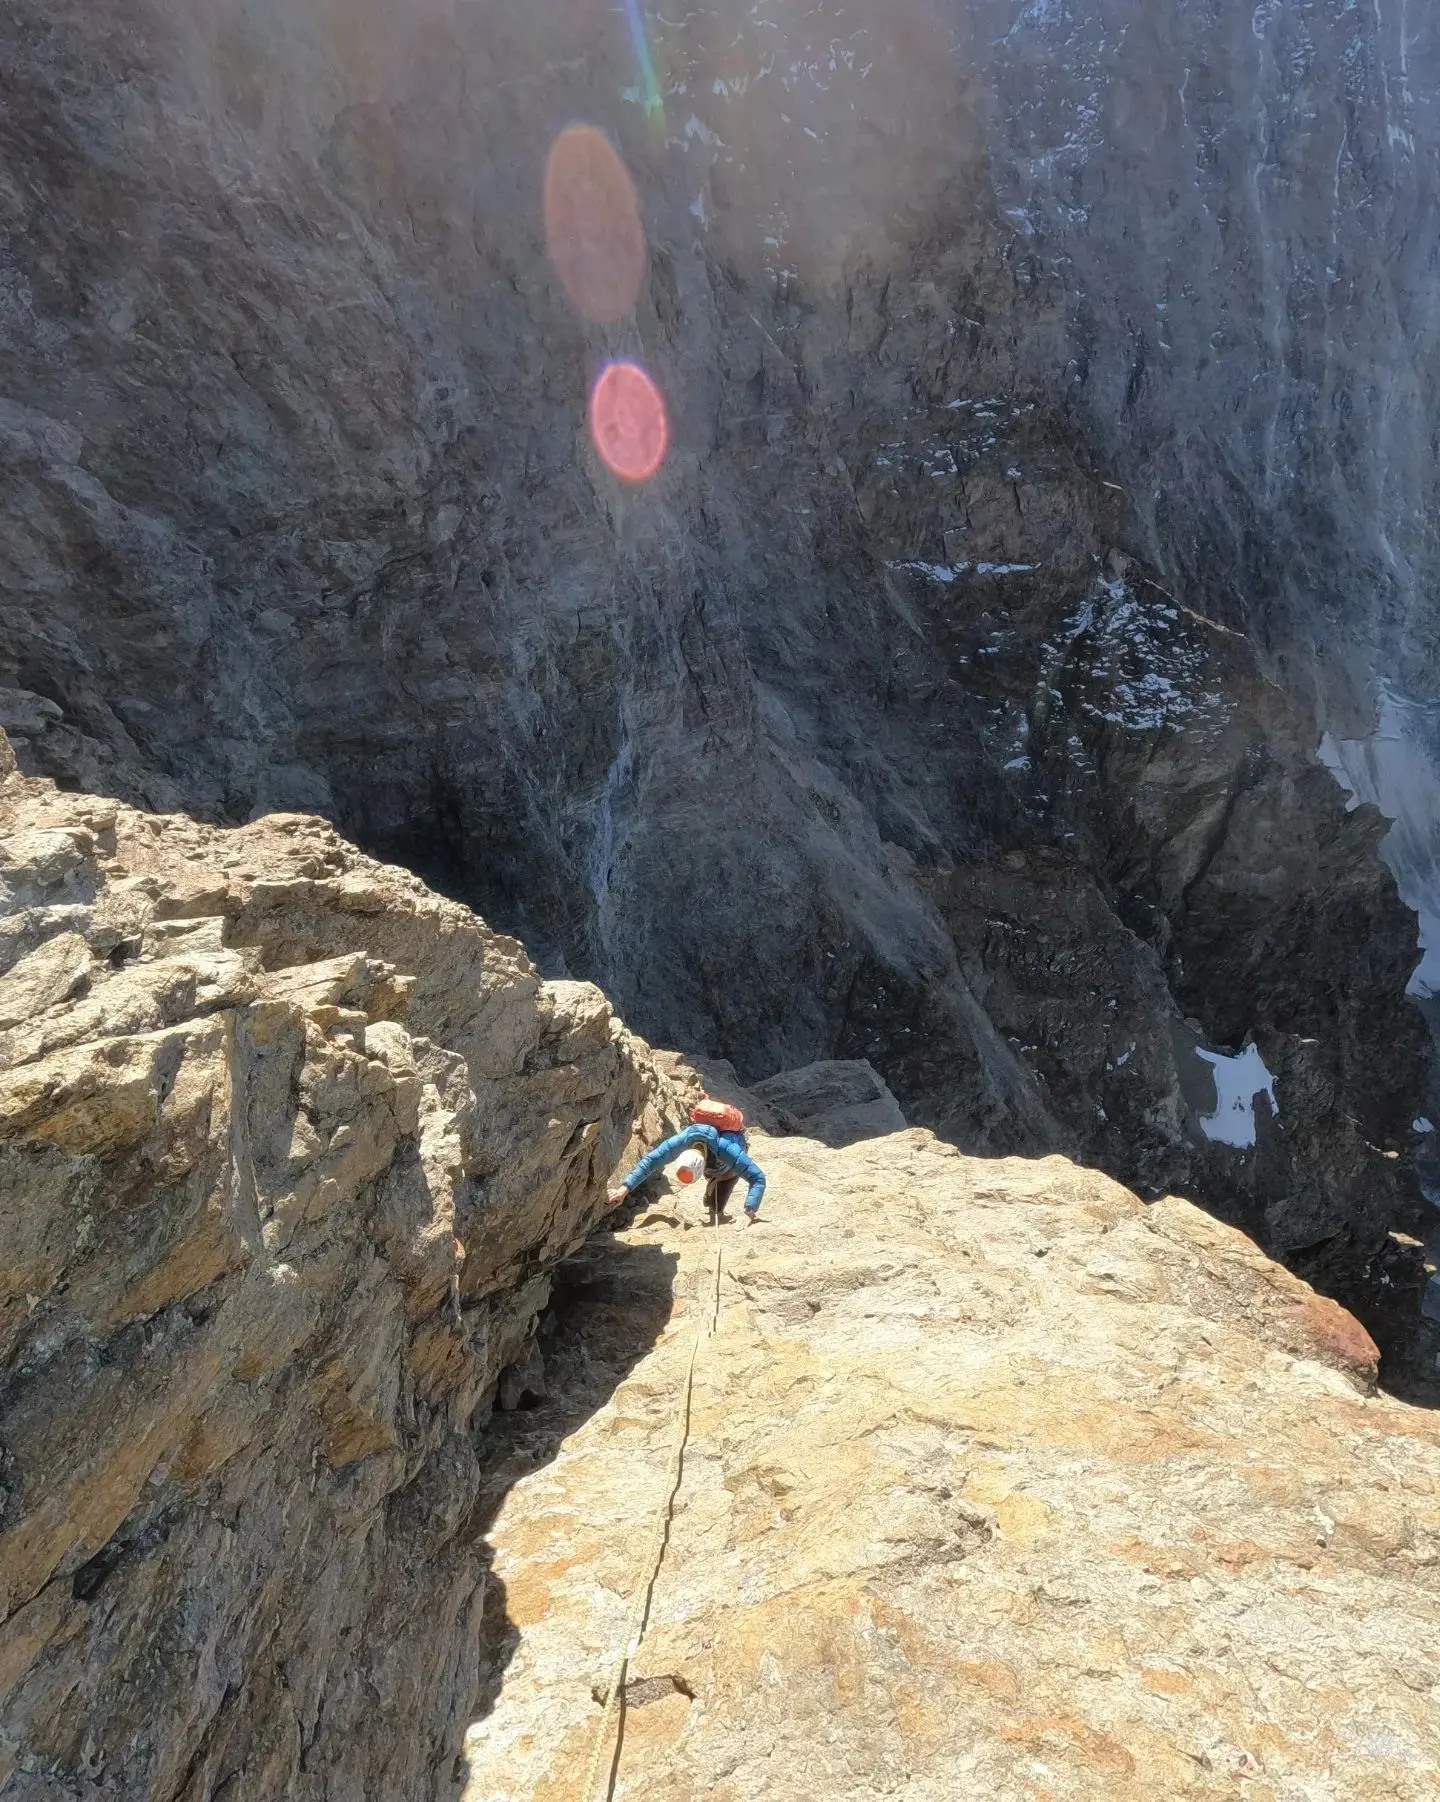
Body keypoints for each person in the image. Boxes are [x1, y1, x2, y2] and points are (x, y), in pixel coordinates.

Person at [609, 1100, 767, 1225]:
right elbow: (650, 1161)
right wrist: (624, 1190)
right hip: (712, 1160)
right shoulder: (682, 1140)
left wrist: (749, 1212)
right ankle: (713, 1182)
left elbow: (758, 1178)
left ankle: (716, 1181)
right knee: (714, 1200)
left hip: (729, 1161)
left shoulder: (727, 1148)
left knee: (718, 1202)